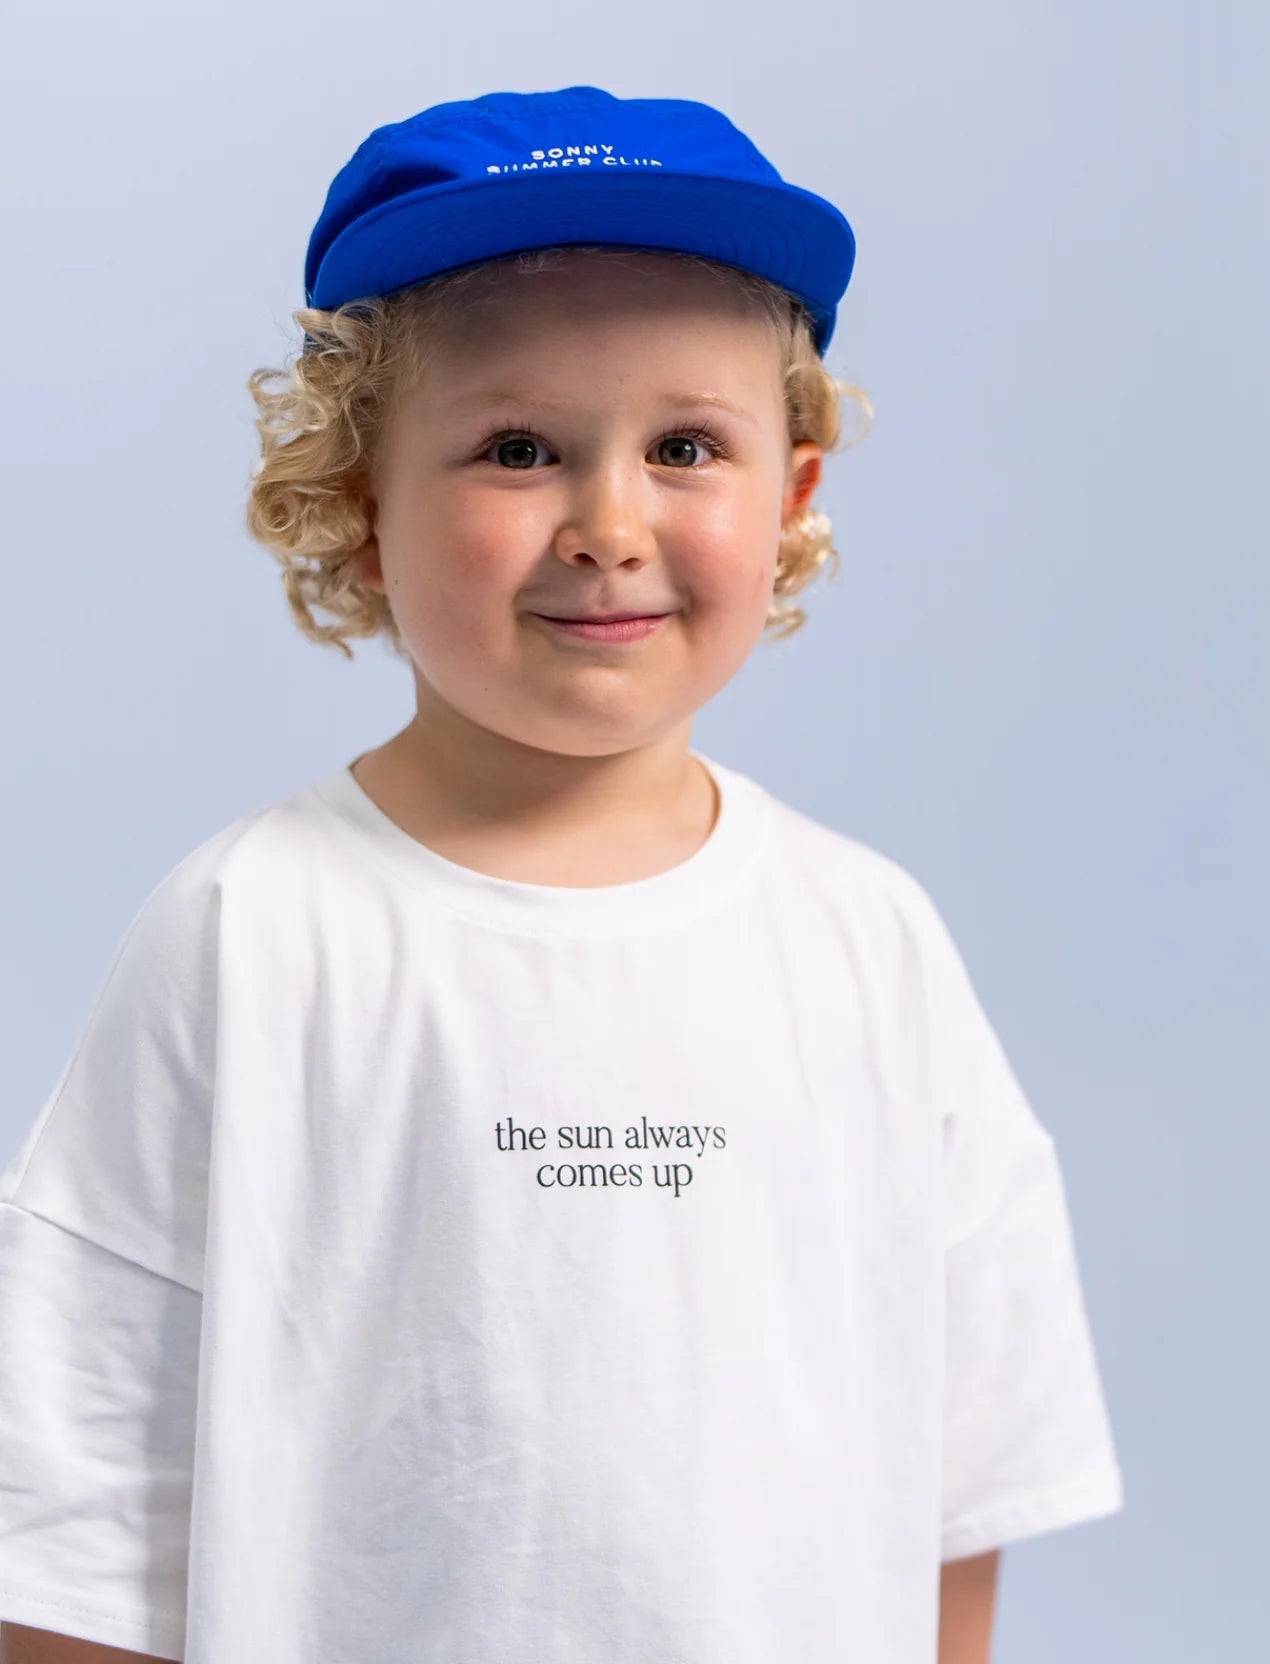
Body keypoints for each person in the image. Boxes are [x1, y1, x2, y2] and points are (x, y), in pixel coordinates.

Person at [0, 84, 1124, 1664]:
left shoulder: (867, 943)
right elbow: (75, 1502)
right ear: (361, 508)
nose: (608, 523)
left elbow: (961, 1476)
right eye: (518, 448)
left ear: (791, 495)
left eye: (685, 446)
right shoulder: (253, 936)